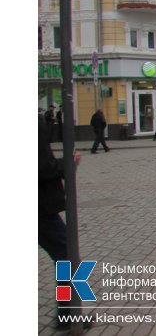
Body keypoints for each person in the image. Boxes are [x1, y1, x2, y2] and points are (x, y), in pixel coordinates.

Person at [39, 116, 82, 330]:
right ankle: (67, 314)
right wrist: (67, 164)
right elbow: (42, 166)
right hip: (39, 208)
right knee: (66, 256)